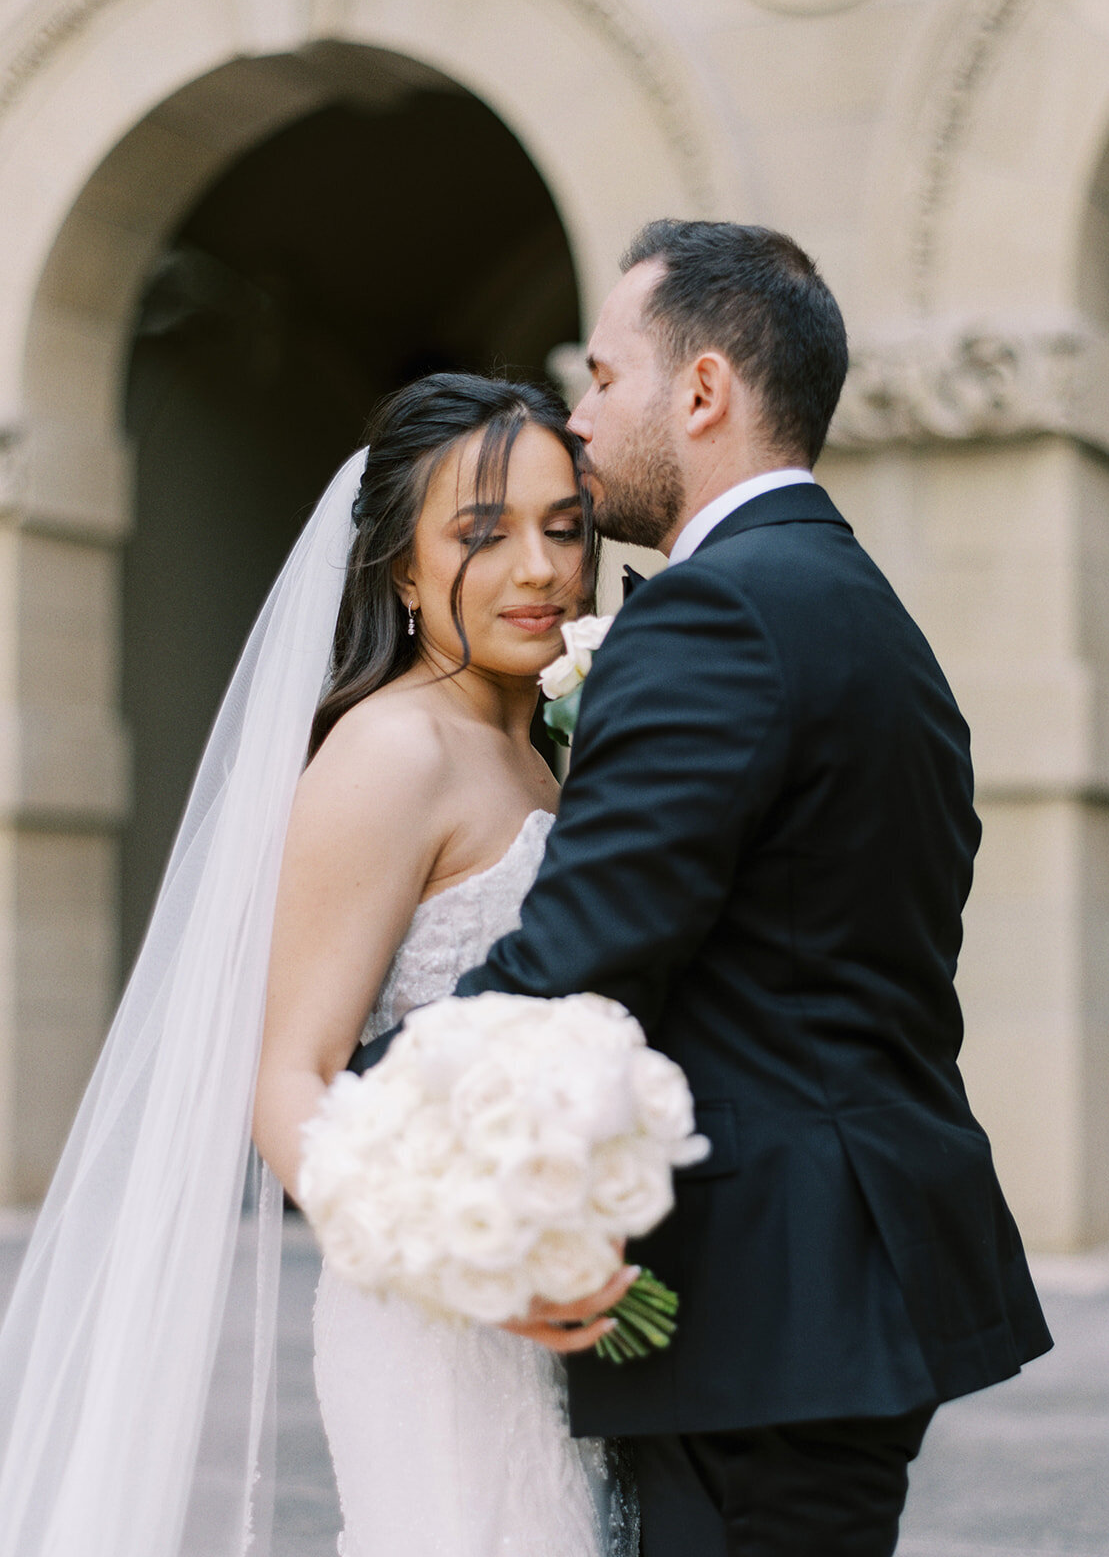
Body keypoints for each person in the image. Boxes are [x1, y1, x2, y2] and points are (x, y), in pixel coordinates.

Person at [443, 221, 1054, 1556]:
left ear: (705, 391)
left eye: (603, 376)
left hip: (770, 1299)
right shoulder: (855, 606)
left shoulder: (721, 615)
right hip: (830, 1285)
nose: (581, 419)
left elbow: (589, 949)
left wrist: (363, 1105)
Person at [0, 373, 634, 1557]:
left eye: (564, 526)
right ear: (402, 569)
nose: (542, 569)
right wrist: (466, 1253)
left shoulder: (546, 748)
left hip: (551, 1306)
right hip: (439, 1320)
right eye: (482, 535)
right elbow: (286, 1075)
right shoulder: (392, 752)